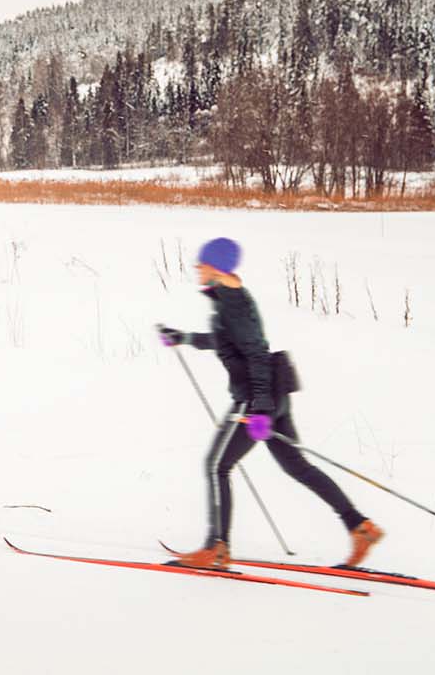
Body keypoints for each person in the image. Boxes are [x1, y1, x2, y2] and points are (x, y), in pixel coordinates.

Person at [157, 236, 384, 570]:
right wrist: (184, 337)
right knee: (297, 466)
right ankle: (360, 527)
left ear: (217, 267)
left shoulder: (232, 303)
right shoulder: (230, 298)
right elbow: (224, 341)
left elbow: (256, 354)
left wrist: (259, 407)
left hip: (254, 399)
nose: (197, 268)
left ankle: (216, 548)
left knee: (216, 466)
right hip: (273, 394)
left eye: (202, 263)